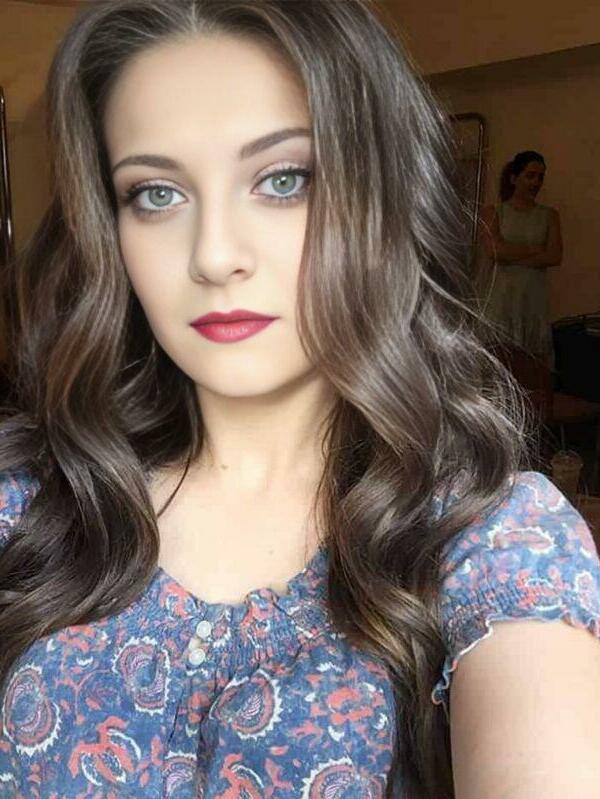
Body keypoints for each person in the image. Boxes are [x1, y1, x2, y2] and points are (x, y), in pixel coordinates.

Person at [0, 3, 598, 798]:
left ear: (383, 200)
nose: (215, 255)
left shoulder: (490, 537)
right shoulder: (27, 499)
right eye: (156, 193)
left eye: (283, 180)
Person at [478, 150, 563, 360]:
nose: (536, 182)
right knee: (498, 358)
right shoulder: (494, 211)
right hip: (501, 297)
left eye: (540, 177)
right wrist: (535, 249)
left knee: (532, 363)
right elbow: (495, 251)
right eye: (530, 176)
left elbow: (554, 256)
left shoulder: (549, 215)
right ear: (514, 178)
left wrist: (510, 251)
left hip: (532, 297)